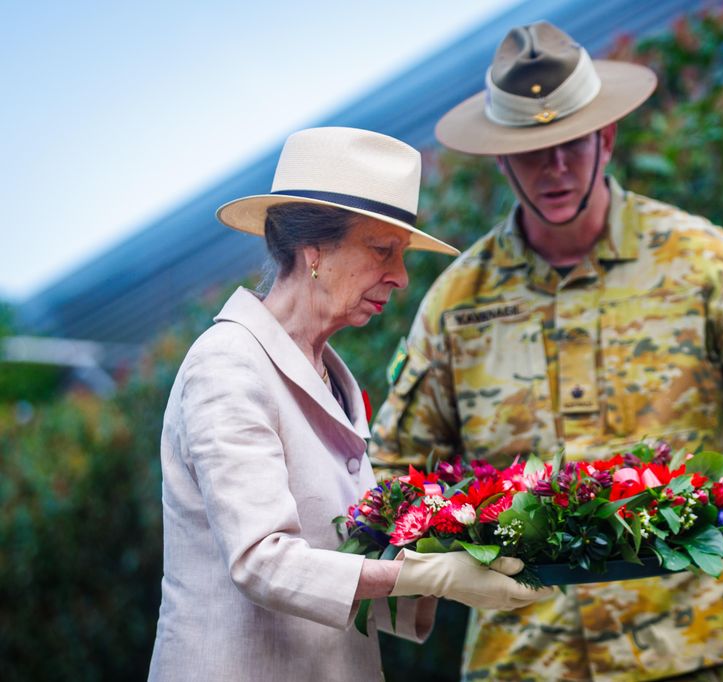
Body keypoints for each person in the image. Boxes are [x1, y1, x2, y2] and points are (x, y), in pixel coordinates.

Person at [370, 22, 723, 682]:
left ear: (605, 138)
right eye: (532, 150)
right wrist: (449, 556)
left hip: (689, 645)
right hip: (529, 659)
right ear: (501, 159)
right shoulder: (459, 301)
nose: (554, 168)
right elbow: (395, 470)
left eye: (571, 143)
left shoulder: (695, 258)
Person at [148, 127, 551, 682]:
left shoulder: (329, 375)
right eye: (382, 249)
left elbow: (342, 555)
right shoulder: (228, 363)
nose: (402, 276)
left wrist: (489, 554)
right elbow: (262, 560)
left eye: (402, 254)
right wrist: (430, 574)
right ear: (313, 251)